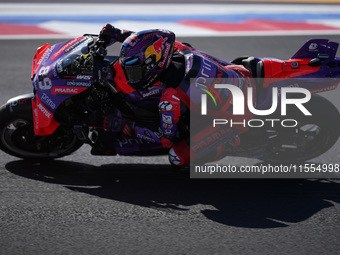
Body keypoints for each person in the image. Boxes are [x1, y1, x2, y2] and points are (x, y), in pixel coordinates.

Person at [99, 24, 255, 167]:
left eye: (135, 71)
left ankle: (232, 142)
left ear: (153, 66)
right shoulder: (177, 49)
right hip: (241, 74)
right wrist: (118, 34)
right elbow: (148, 43)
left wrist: (127, 126)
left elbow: (165, 138)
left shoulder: (170, 98)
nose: (130, 76)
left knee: (177, 157)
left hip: (234, 117)